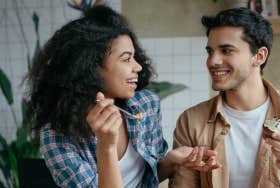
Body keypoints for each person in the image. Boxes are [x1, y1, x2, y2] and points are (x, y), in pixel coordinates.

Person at [25, 5, 219, 188]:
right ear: (90, 67)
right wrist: (106, 146)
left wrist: (172, 160)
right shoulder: (57, 137)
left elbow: (144, 179)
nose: (138, 66)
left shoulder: (146, 105)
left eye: (135, 57)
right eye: (126, 59)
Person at [171, 7, 280, 188]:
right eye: (210, 51)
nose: (212, 61)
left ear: (259, 56)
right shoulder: (190, 121)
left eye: (226, 51)